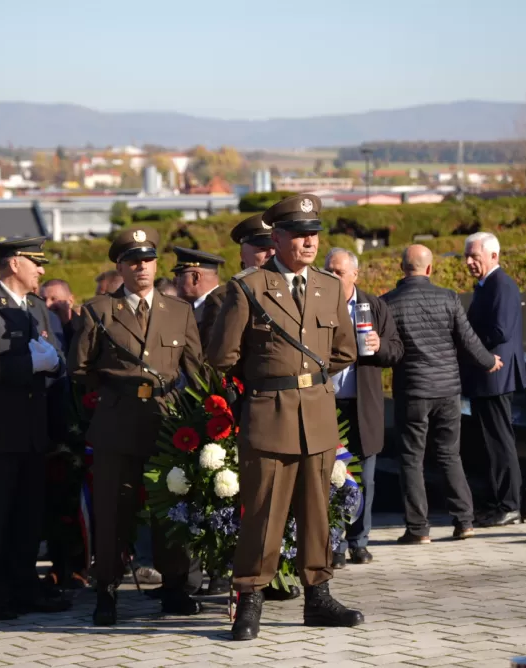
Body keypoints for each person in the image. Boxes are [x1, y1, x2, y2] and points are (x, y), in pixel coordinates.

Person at [207, 194, 363, 641]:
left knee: (317, 511)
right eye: (298, 233)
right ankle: (250, 599)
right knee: (263, 512)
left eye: (313, 232)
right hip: (267, 413)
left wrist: (307, 382)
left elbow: (344, 351)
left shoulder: (329, 287)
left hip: (315, 413)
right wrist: (267, 379)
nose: (308, 241)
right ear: (275, 238)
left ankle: (318, 596)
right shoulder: (249, 288)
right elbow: (222, 356)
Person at [69, 226, 205, 626]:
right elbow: (79, 369)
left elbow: (195, 370)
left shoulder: (178, 311)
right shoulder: (98, 310)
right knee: (113, 510)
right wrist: (112, 393)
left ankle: (175, 587)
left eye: (147, 260)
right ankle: (107, 591)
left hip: (166, 424)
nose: (141, 267)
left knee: (170, 507)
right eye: (132, 261)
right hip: (117, 423)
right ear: (120, 267)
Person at [0, 236, 71, 621]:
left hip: (31, 430)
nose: (41, 270)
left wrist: (55, 365)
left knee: (27, 518)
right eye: (35, 263)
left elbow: (54, 357)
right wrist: (30, 365)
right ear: (13, 265)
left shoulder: (37, 309)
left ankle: (24, 585)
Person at [383, 245, 500, 544]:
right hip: (448, 390)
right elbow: (468, 340)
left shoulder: (388, 303)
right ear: (430, 269)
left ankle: (418, 529)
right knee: (450, 455)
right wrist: (490, 361)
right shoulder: (448, 298)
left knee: (411, 458)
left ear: (401, 268)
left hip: (413, 391)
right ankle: (464, 522)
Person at [323, 248, 403, 568]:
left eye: (338, 272)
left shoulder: (374, 306)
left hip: (363, 406)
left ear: (354, 275)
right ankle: (334, 544)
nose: (332, 276)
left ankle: (359, 541)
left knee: (365, 479)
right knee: (332, 478)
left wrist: (380, 347)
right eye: (328, 270)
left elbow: (397, 350)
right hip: (326, 406)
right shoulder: (316, 306)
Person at [461, 232, 526, 527]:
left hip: (495, 376)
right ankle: (498, 502)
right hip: (485, 377)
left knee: (500, 442)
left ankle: (510, 505)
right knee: (490, 443)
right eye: (467, 256)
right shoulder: (487, 285)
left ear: (493, 256)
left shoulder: (501, 284)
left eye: (474, 256)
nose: (468, 262)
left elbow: (500, 331)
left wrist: (470, 346)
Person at [198, 214, 276, 349]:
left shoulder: (295, 290)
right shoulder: (223, 297)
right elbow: (212, 355)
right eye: (263, 249)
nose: (271, 254)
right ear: (243, 255)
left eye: (275, 247)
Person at [172, 246, 224, 324]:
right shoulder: (202, 307)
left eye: (179, 275)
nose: (175, 280)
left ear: (196, 277)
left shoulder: (219, 308)